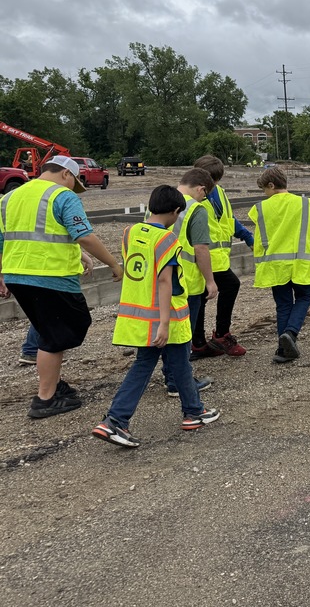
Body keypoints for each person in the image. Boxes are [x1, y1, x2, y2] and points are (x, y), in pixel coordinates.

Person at [92, 185, 220, 448]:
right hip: (166, 316)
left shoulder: (130, 232)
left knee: (178, 363)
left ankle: (194, 412)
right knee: (154, 364)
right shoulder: (168, 240)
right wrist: (163, 324)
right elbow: (164, 281)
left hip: (139, 314)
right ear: (175, 212)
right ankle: (115, 420)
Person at [0, 155, 123, 419]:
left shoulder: (10, 198)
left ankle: (53, 385)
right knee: (60, 334)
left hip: (17, 275)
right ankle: (45, 398)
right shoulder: (63, 197)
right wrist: (113, 263)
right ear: (67, 174)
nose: (73, 188)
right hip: (51, 277)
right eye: (74, 182)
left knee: (50, 332)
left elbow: (15, 236)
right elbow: (85, 235)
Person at [248, 166, 310, 363]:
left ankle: (282, 349)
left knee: (283, 304)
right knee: (304, 296)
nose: (265, 194)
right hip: (300, 262)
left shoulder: (260, 208)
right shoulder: (307, 204)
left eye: (265, 189)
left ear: (272, 185)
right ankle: (291, 333)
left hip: (276, 264)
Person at [190, 154, 253, 358]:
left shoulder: (219, 193)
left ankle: (200, 343)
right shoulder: (192, 199)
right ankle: (218, 336)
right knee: (215, 291)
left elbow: (228, 220)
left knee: (202, 298)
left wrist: (246, 236)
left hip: (216, 257)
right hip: (201, 258)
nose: (212, 185)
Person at [163, 168, 218, 396]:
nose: (202, 198)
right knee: (183, 335)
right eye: (204, 195)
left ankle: (172, 377)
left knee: (167, 332)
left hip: (161, 280)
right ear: (201, 189)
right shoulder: (196, 208)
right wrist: (210, 281)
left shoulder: (160, 201)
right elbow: (200, 248)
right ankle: (179, 383)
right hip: (186, 282)